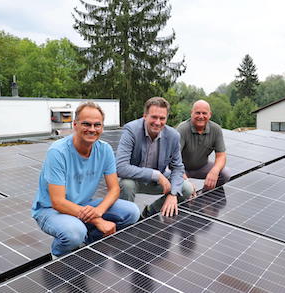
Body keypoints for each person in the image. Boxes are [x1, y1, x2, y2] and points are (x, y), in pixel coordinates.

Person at [31, 102, 139, 258]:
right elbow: (58, 202)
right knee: (75, 233)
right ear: (75, 125)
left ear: (102, 127)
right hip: (51, 210)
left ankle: (89, 243)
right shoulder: (58, 152)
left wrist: (99, 210)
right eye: (86, 124)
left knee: (132, 212)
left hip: (83, 205)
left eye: (97, 125)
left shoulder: (105, 149)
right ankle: (57, 255)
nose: (92, 129)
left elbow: (114, 189)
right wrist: (97, 220)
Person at [116, 97, 194, 218]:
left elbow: (178, 168)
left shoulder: (173, 136)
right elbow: (120, 167)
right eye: (154, 117)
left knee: (186, 188)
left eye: (162, 118)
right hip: (134, 180)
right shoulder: (131, 130)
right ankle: (126, 221)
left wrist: (173, 194)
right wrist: (156, 175)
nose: (158, 122)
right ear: (145, 116)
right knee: (127, 185)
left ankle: (149, 212)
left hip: (158, 182)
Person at [177, 100, 230, 193]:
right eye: (197, 113)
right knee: (179, 183)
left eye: (204, 113)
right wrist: (186, 181)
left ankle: (204, 195)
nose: (201, 116)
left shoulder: (216, 129)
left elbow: (221, 156)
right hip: (182, 168)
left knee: (225, 174)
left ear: (210, 114)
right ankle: (182, 196)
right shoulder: (182, 129)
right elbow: (174, 159)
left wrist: (215, 170)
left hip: (202, 167)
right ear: (191, 113)